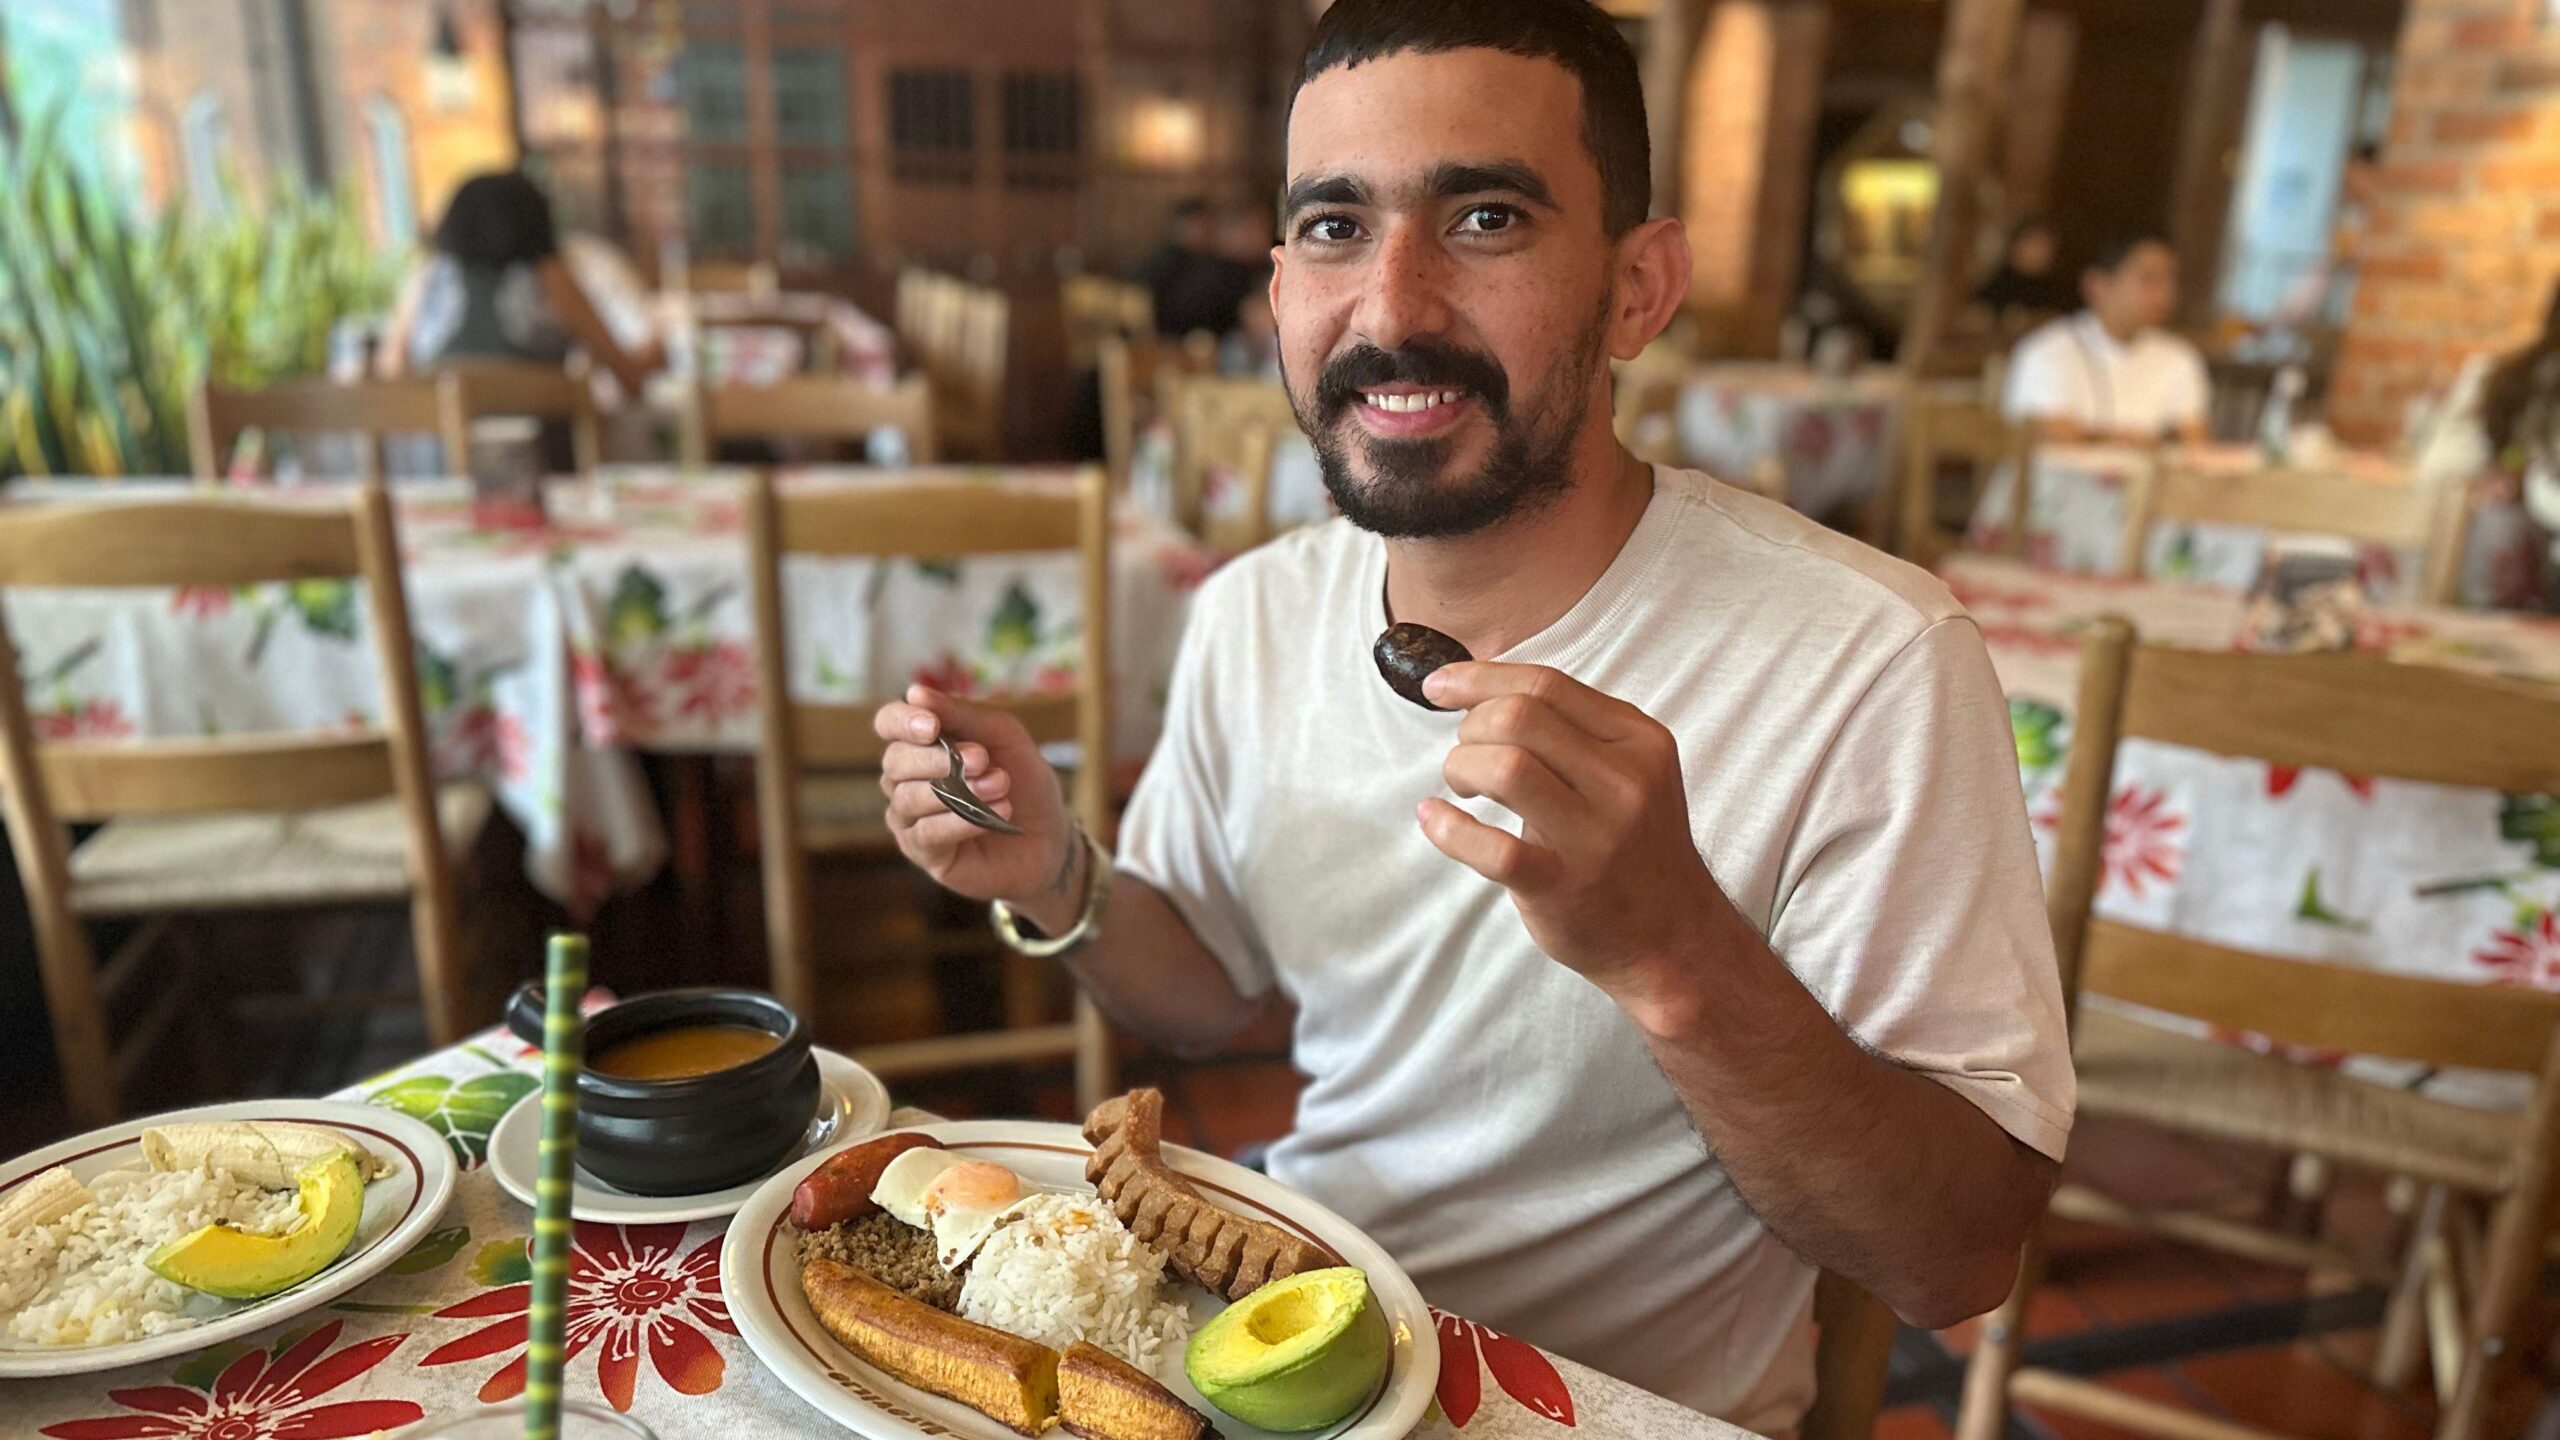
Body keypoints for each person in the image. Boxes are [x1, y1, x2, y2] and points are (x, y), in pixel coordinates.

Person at [870, 0, 2070, 1429]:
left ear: (1639, 285)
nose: (1389, 310)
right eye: (1334, 229)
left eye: (1486, 218)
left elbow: (1952, 1257)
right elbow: (1218, 991)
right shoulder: (1254, 610)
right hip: (1283, 1356)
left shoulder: (1869, 659)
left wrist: (1676, 954)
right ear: (1275, 292)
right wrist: (1056, 875)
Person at [377, 171, 657, 394]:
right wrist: (657, 351)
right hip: (544, 461)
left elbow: (390, 373)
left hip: (439, 463)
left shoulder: (429, 274)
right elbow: (627, 376)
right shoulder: (549, 276)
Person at [2002, 227, 2210, 444]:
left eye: (2170, 280)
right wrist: (2142, 442)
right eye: (2149, 279)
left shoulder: (2179, 357)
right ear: (2098, 284)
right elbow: (2048, 436)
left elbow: (2194, 441)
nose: (2165, 294)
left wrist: (2094, 436)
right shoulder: (2048, 349)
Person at [1972, 215, 2066, 325]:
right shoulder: (1997, 284)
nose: (2040, 252)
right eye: (2033, 243)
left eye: (2046, 245)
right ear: (2016, 246)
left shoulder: (2058, 290)